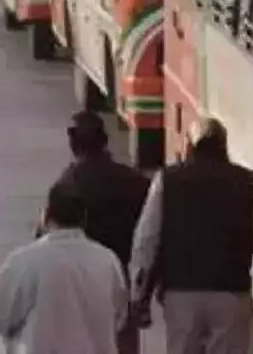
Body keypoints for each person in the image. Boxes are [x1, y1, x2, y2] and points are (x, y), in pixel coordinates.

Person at [129, 118, 253, 354]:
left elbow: (147, 239)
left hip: (181, 294)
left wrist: (139, 292)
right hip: (231, 293)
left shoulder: (168, 180)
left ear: (190, 146)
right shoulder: (248, 184)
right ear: (224, 146)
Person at [0, 181, 128, 354]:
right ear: (84, 219)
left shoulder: (26, 260)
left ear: (46, 216)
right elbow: (119, 316)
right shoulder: (108, 260)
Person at [57, 112, 151, 354]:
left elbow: (47, 238)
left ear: (73, 144)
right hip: (123, 281)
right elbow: (150, 236)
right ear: (105, 141)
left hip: (79, 285)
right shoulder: (135, 181)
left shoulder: (66, 185)